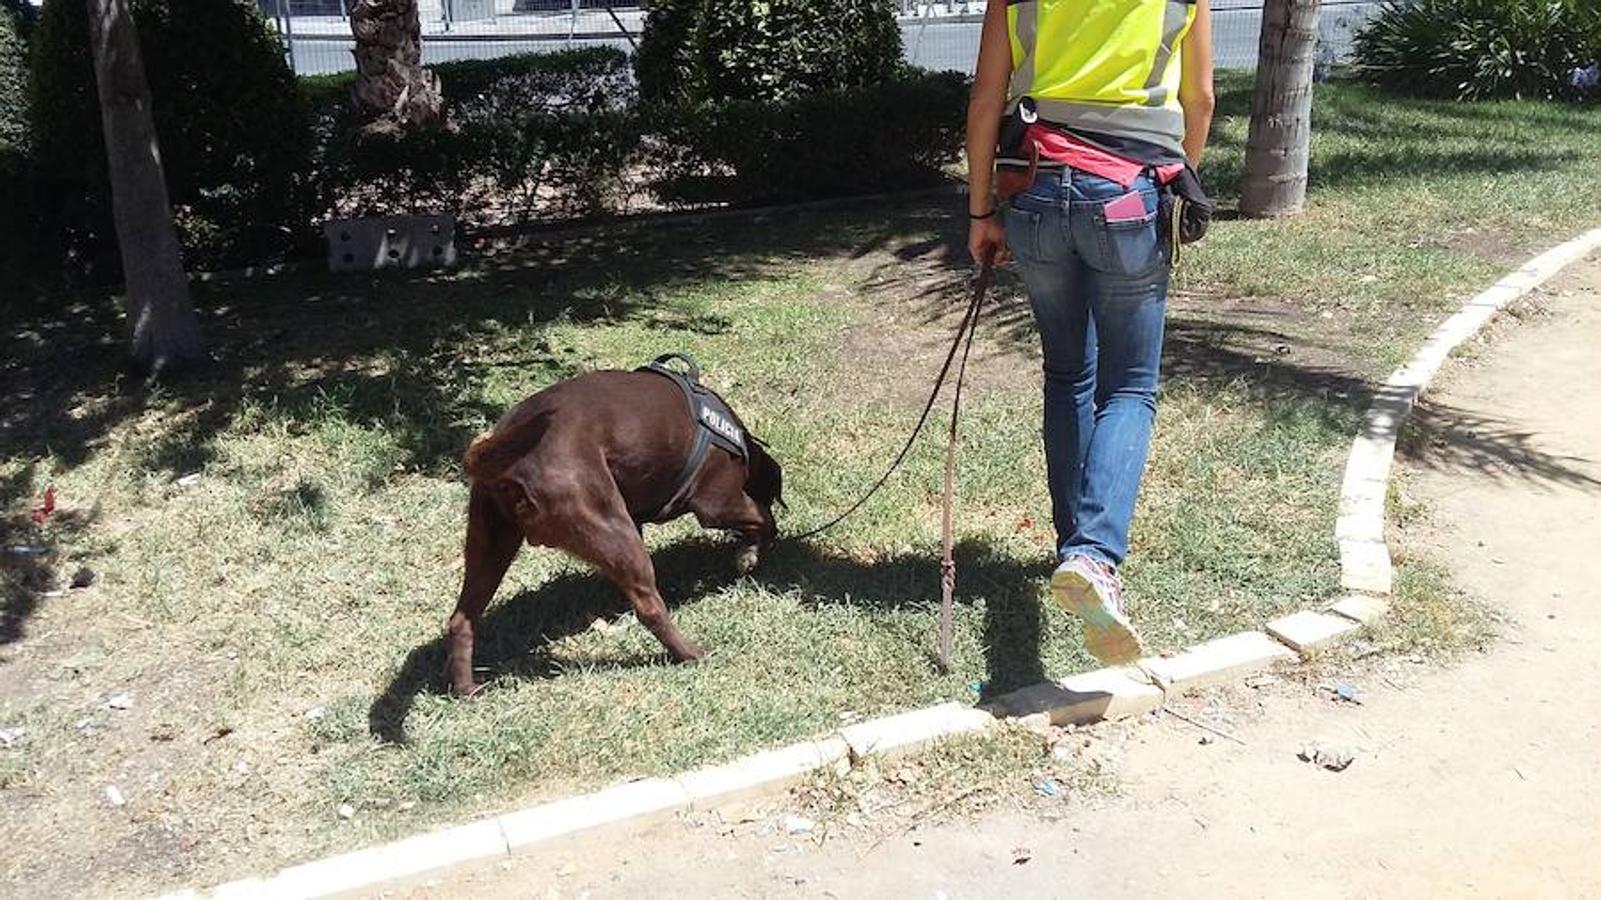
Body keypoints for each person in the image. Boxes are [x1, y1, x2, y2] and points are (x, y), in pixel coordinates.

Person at [965, 0, 1215, 665]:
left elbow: (986, 101)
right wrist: (1177, 180)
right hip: (1130, 197)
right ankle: (1093, 557)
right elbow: (1202, 99)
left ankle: (1071, 547)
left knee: (1066, 374)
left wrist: (980, 210)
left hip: (1037, 196)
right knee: (1129, 387)